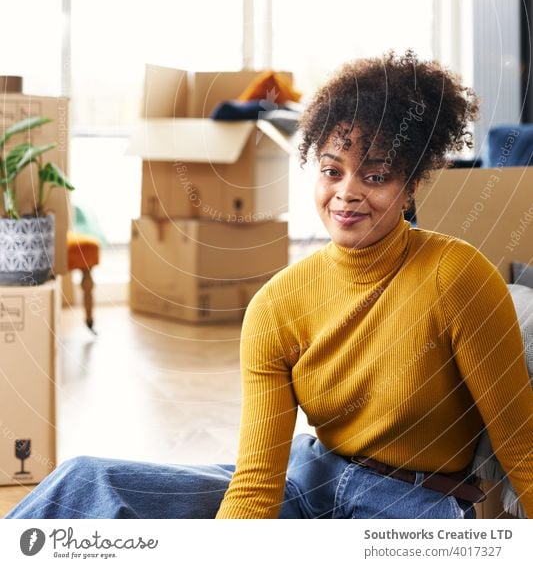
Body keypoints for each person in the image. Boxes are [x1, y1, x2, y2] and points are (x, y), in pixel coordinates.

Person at [6, 50, 532, 520]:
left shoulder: (458, 276)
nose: (346, 193)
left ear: (413, 185)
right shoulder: (277, 305)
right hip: (307, 480)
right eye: (332, 170)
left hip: (414, 505)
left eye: (375, 177)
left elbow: (523, 448)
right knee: (86, 483)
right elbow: (257, 484)